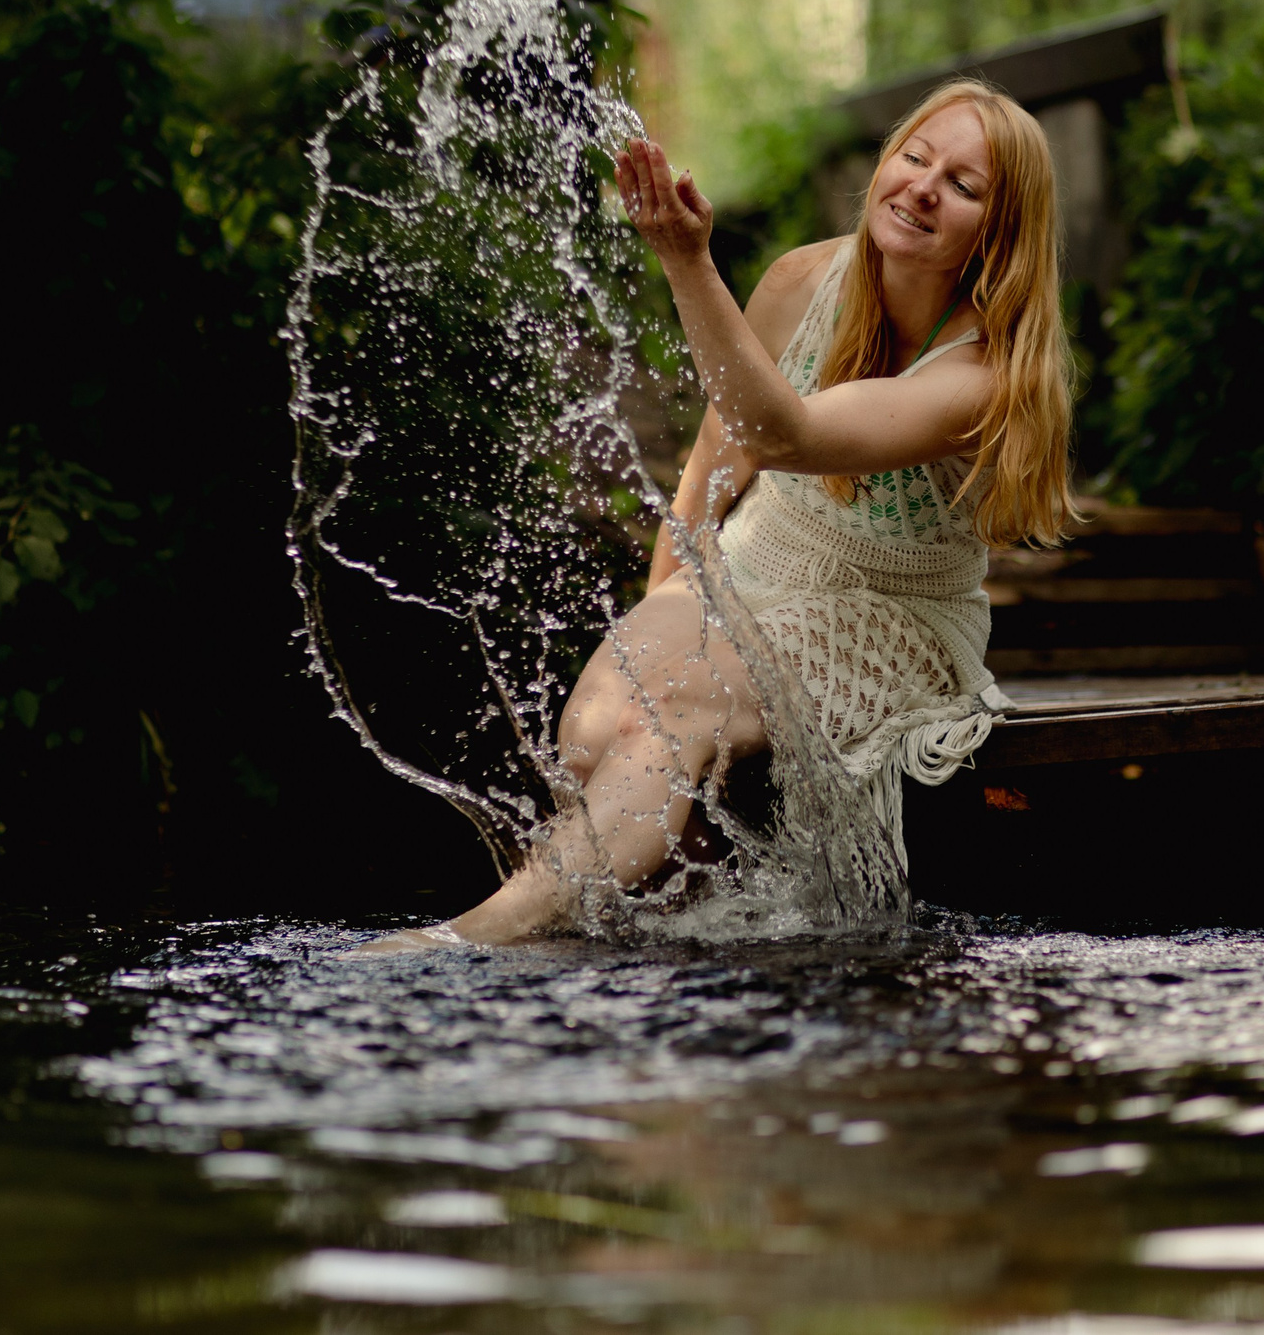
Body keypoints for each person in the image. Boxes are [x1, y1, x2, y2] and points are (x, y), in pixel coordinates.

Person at [346, 79, 1075, 953]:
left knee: (678, 706)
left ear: (1001, 229)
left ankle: (479, 933)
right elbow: (709, 471)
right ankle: (677, 933)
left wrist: (686, 262)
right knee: (596, 724)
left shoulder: (987, 373)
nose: (923, 186)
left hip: (888, 617)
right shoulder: (802, 279)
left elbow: (783, 433)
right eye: (916, 157)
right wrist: (663, 601)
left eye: (964, 185)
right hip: (749, 566)